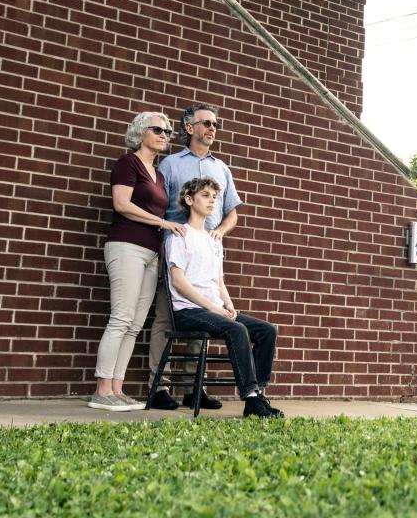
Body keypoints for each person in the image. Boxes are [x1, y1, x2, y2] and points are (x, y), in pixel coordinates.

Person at [147, 103, 242, 410]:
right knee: (166, 316)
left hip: (209, 255)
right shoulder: (171, 165)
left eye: (215, 124)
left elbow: (233, 213)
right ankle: (159, 388)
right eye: (206, 123)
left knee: (206, 320)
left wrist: (221, 232)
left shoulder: (221, 168)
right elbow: (157, 207)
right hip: (179, 250)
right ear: (190, 128)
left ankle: (192, 388)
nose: (212, 128)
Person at [89, 112, 185, 412]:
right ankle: (101, 390)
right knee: (121, 317)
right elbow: (122, 204)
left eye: (168, 131)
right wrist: (162, 222)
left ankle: (117, 388)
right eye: (158, 129)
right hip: (126, 246)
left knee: (134, 325)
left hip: (151, 253)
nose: (164, 135)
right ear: (139, 132)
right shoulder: (127, 163)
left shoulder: (158, 175)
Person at [166, 177, 282, 418]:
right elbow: (178, 281)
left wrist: (228, 305)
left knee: (266, 330)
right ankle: (250, 399)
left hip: (215, 309)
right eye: (205, 195)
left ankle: (258, 395)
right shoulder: (178, 236)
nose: (212, 201)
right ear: (189, 200)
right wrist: (213, 308)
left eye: (214, 197)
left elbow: (218, 281)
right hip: (188, 311)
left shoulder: (214, 240)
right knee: (237, 330)